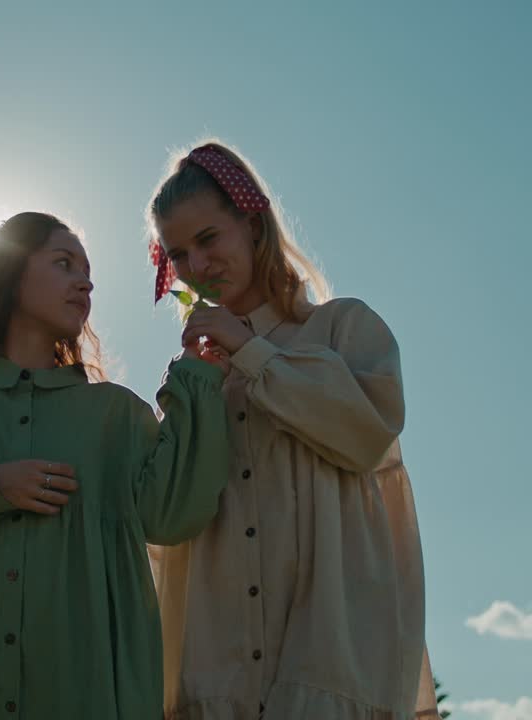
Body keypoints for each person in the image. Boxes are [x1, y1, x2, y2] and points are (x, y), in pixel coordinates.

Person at [0, 211, 230, 719]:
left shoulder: (116, 416)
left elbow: (172, 515)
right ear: (7, 273)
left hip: (88, 694)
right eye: (63, 263)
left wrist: (199, 380)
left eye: (88, 271)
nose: (85, 283)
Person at [146, 143, 438, 719]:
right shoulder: (197, 376)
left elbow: (367, 434)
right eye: (178, 254)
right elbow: (167, 519)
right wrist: (190, 394)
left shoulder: (342, 329)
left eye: (208, 238)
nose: (197, 266)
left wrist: (250, 351)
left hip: (328, 666)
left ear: (252, 227)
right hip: (216, 675)